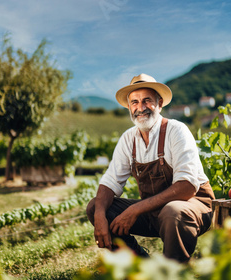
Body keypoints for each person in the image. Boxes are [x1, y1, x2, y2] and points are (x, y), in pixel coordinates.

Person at [86, 73, 215, 263]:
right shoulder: (128, 139)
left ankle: (171, 273)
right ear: (129, 107)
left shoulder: (176, 131)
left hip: (192, 208)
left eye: (147, 100)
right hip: (154, 212)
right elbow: (110, 182)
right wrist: (98, 217)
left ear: (160, 103)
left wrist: (135, 209)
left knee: (173, 211)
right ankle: (139, 266)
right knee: (96, 206)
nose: (140, 108)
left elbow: (187, 187)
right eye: (135, 102)